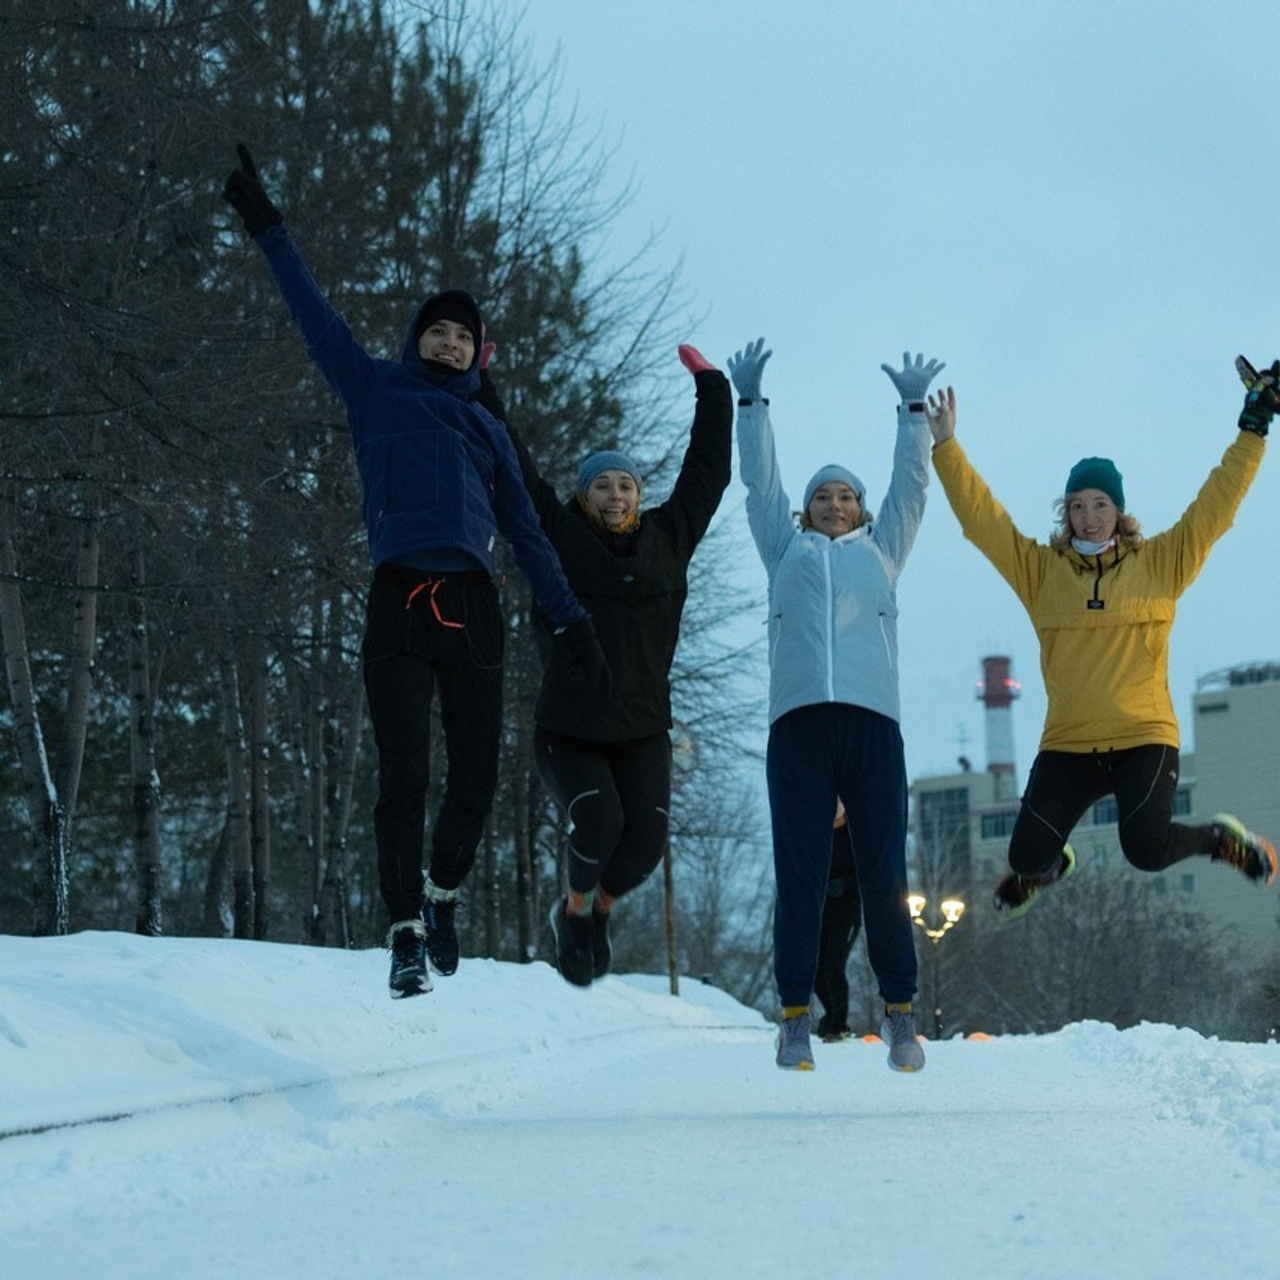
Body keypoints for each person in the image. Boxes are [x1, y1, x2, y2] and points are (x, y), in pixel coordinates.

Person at [222, 145, 609, 999]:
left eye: (462, 334)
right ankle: (402, 931)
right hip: (398, 599)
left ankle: (441, 896)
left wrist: (571, 620)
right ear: (416, 337)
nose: (446, 339)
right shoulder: (374, 390)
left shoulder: (490, 432)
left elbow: (531, 539)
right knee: (403, 775)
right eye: (436, 328)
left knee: (473, 776)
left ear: (478, 353)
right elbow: (313, 316)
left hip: (471, 609)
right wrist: (270, 230)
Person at [925, 361, 1278, 920]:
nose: (1089, 518)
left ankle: (1219, 839)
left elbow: (1216, 507)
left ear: (1119, 512)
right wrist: (946, 447)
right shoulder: (1041, 573)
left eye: (1101, 506)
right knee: (1024, 854)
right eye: (1078, 506)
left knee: (1145, 850)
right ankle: (1049, 866)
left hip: (1143, 736)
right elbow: (982, 521)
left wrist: (1254, 426)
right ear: (1065, 513)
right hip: (1069, 743)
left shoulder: (1160, 563)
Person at [730, 337, 943, 1072]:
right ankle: (793, 1017)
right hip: (797, 730)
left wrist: (913, 414)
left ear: (859, 510)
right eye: (823, 495)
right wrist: (750, 403)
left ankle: (901, 1015)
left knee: (884, 873)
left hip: (872, 727)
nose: (835, 503)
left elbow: (911, 487)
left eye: (846, 495)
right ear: (806, 510)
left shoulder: (882, 551)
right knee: (802, 871)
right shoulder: (782, 551)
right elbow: (759, 486)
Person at [493, 344, 732, 985]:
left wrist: (713, 389)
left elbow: (708, 471)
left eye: (625, 483)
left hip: (643, 728)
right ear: (583, 493)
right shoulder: (560, 536)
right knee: (599, 823)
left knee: (642, 848)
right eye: (602, 483)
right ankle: (571, 913)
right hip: (569, 729)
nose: (616, 493)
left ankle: (597, 910)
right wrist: (479, 380)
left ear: (639, 493)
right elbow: (514, 472)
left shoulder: (669, 537)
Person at [814, 801, 863, 1043]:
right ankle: (830, 1015)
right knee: (815, 970)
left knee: (834, 965)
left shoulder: (854, 834)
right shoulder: (818, 833)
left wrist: (845, 885)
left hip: (848, 913)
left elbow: (867, 871)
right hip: (823, 912)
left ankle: (839, 1024)